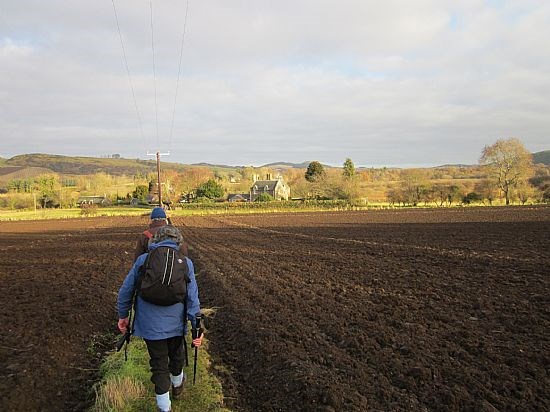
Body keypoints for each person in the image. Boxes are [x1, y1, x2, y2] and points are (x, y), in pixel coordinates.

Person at [118, 225, 203, 412]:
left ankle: (164, 407)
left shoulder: (143, 260)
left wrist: (123, 316)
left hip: (149, 325)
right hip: (175, 323)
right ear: (178, 242)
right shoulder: (186, 263)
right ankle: (178, 384)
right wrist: (197, 326)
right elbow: (192, 298)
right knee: (176, 356)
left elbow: (125, 291)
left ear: (155, 240)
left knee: (158, 363)